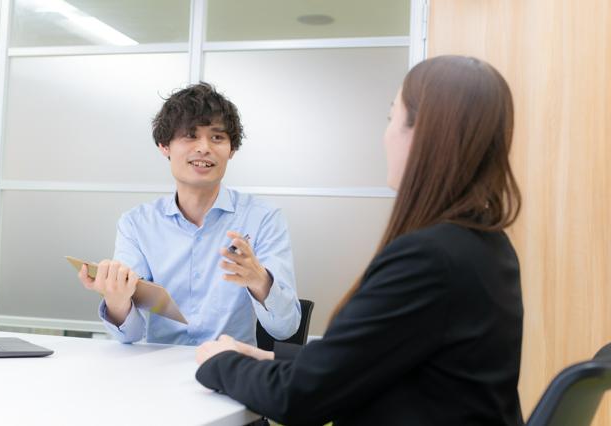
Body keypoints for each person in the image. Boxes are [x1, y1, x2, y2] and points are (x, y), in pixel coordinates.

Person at [194, 56, 525, 425]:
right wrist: (267, 358)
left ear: (425, 134)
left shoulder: (429, 259)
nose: (385, 136)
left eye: (391, 118)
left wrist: (220, 363)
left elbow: (299, 398)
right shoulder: (487, 246)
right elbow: (367, 357)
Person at [78, 83, 301, 346]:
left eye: (217, 137)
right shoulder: (136, 224)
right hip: (156, 368)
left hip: (230, 368)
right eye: (190, 136)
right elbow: (130, 336)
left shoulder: (263, 219)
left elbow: (285, 330)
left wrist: (261, 281)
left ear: (231, 150)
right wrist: (116, 299)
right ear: (164, 146)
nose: (204, 148)